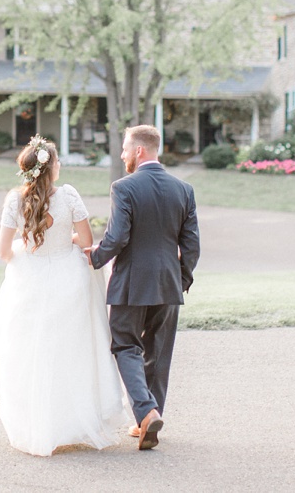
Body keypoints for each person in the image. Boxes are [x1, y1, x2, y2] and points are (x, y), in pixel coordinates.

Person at [0, 136, 131, 456]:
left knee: (32, 351)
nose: (61, 165)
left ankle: (37, 425)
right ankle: (73, 422)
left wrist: (32, 247)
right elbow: (88, 239)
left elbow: (3, 251)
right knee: (72, 350)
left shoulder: (14, 201)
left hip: (30, 282)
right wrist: (64, 239)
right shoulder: (69, 195)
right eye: (58, 161)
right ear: (51, 168)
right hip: (69, 279)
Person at [85, 124, 200, 451]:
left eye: (124, 148)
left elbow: (118, 237)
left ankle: (146, 413)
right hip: (169, 284)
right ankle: (148, 420)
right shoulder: (184, 190)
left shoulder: (124, 187)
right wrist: (181, 280)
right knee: (158, 354)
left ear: (139, 150)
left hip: (133, 283)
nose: (121, 155)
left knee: (125, 345)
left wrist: (95, 258)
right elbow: (191, 247)